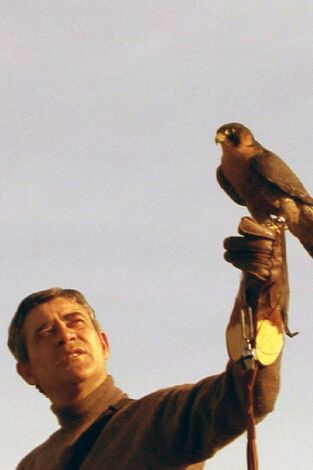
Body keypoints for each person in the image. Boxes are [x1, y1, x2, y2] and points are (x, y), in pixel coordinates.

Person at [8, 217, 287, 470]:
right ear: (27, 371)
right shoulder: (33, 465)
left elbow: (246, 396)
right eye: (45, 332)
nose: (65, 334)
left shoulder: (157, 418)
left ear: (103, 344)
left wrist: (260, 296)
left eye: (75, 321)